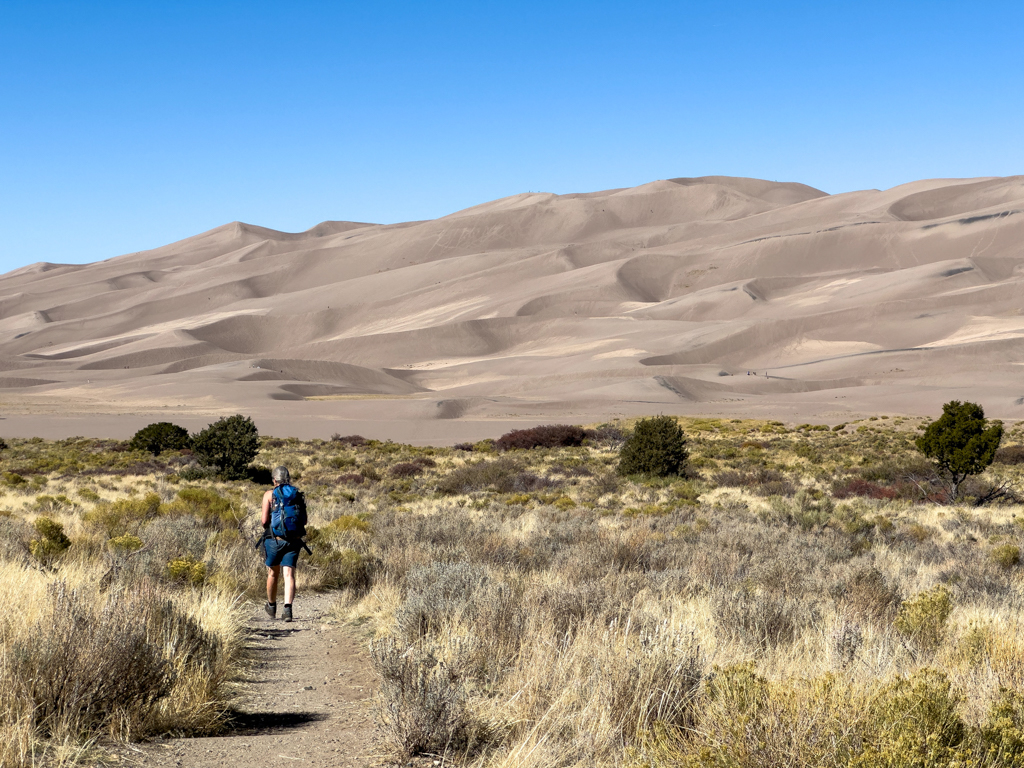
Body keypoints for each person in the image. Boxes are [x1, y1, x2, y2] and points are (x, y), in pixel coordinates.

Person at [261, 465, 305, 622]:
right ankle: (288, 609)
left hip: (274, 540)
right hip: (293, 540)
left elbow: (264, 520)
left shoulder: (269, 494)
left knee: (273, 572)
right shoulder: (297, 494)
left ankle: (271, 606)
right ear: (288, 479)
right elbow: (304, 520)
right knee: (289, 574)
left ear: (274, 480)